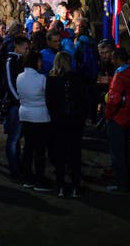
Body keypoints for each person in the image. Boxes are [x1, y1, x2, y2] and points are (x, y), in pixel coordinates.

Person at [46, 51, 89, 197]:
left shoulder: (51, 80)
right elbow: (83, 100)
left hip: (58, 121)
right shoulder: (76, 79)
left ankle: (61, 186)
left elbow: (49, 102)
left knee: (60, 155)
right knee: (75, 154)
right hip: (74, 121)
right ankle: (75, 186)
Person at [105, 47, 130, 192]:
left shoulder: (120, 76)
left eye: (113, 58)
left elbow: (114, 99)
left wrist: (108, 114)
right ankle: (128, 180)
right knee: (125, 151)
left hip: (118, 117)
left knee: (118, 153)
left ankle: (121, 184)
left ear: (118, 59)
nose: (111, 60)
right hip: (128, 115)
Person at [17, 50, 51, 191]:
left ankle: (28, 178)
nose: (41, 63)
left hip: (25, 114)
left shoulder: (19, 77)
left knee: (28, 148)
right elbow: (47, 96)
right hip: (40, 116)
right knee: (39, 150)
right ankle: (39, 180)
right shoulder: (42, 79)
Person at [2, 35, 30, 180]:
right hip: (16, 105)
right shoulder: (10, 62)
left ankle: (18, 166)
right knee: (14, 138)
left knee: (17, 138)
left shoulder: (20, 61)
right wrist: (18, 99)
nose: (27, 49)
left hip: (21, 103)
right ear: (17, 46)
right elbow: (9, 84)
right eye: (25, 47)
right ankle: (15, 170)